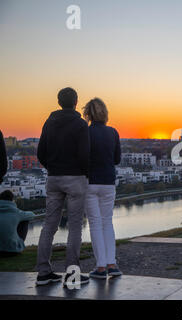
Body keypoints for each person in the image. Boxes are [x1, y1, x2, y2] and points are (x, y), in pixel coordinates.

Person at [36, 87, 90, 286]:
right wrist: (85, 173)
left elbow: (41, 152)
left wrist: (52, 167)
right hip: (75, 178)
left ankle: (43, 272)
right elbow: (84, 155)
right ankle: (72, 274)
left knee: (49, 225)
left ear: (59, 102)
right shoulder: (80, 124)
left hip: (54, 178)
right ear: (76, 102)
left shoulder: (49, 122)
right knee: (75, 226)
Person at [82, 98, 122, 279]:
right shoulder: (113, 132)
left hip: (90, 182)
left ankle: (100, 267)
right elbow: (116, 160)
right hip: (108, 182)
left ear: (88, 114)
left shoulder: (85, 133)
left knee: (95, 224)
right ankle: (112, 264)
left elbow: (80, 157)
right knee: (107, 222)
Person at [0, 191, 35, 255]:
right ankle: (19, 245)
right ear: (12, 200)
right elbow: (32, 215)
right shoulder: (16, 213)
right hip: (12, 250)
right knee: (25, 220)